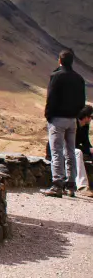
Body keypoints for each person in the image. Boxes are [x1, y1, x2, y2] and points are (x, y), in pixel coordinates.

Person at [42, 48, 87, 197]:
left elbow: (51, 97)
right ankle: (71, 185)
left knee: (56, 151)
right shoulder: (79, 79)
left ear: (60, 61)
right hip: (72, 120)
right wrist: (74, 114)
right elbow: (81, 102)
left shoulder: (56, 76)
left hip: (58, 119)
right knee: (70, 152)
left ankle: (57, 185)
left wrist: (48, 115)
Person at [73, 105, 93, 198]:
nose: (91, 120)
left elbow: (85, 142)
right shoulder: (73, 124)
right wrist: (87, 149)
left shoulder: (85, 126)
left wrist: (90, 149)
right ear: (86, 117)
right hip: (65, 150)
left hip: (75, 149)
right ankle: (82, 186)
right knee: (77, 152)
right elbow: (71, 144)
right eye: (91, 117)